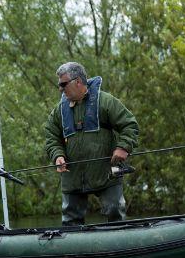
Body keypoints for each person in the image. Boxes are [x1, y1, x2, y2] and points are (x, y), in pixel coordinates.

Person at [44, 62, 139, 226]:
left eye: (63, 84)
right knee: (70, 221)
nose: (60, 89)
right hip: (72, 177)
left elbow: (129, 125)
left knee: (115, 212)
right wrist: (57, 155)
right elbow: (51, 136)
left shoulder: (106, 102)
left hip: (107, 173)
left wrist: (123, 147)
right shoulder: (59, 111)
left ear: (78, 81)